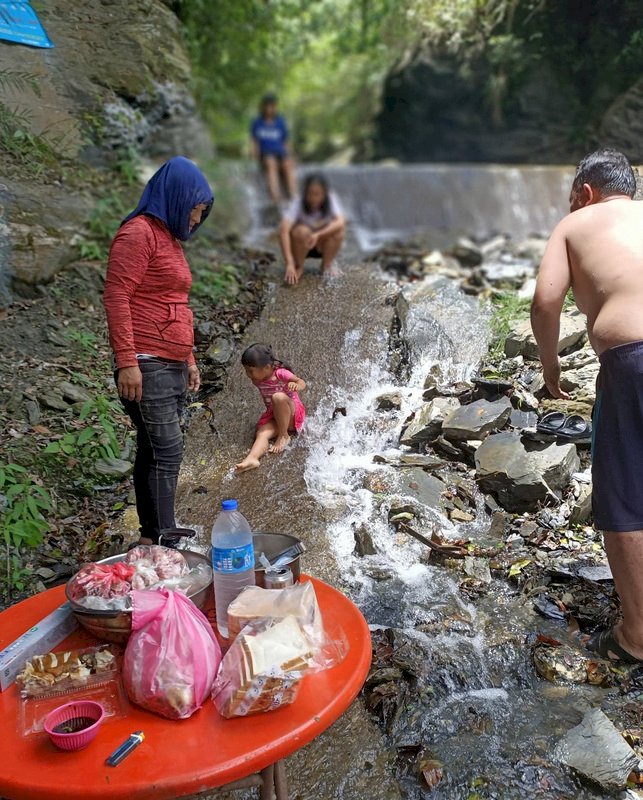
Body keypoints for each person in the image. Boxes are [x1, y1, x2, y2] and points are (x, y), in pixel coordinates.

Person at [531, 148, 643, 663]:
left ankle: (635, 637)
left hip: (632, 360)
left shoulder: (574, 224)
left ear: (585, 193)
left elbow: (546, 301)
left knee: (623, 494)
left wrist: (550, 366)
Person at [103, 156, 213, 546]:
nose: (197, 220)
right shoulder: (139, 233)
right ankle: (165, 536)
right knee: (167, 449)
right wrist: (126, 362)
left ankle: (153, 534)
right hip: (145, 361)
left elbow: (175, 302)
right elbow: (117, 296)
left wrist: (190, 359)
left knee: (154, 449)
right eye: (196, 211)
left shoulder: (168, 239)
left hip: (170, 362)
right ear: (178, 197)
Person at [235, 343, 306, 473]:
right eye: (246, 370)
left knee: (278, 397)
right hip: (276, 415)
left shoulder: (280, 373)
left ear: (267, 367)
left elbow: (301, 382)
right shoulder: (258, 379)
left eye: (251, 371)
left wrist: (296, 386)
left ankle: (284, 435)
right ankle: (252, 459)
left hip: (292, 413)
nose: (248, 375)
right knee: (262, 433)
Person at [279, 172, 346, 285]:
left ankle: (326, 265)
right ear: (305, 193)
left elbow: (340, 222)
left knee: (338, 231)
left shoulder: (330, 199)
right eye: (310, 194)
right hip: (301, 245)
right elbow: (283, 231)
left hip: (321, 245)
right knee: (302, 231)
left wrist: (318, 234)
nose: (313, 198)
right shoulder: (298, 202)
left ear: (324, 194)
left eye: (317, 194)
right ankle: (299, 266)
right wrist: (289, 263)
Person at [250, 92, 297, 204]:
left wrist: (290, 154)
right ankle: (276, 198)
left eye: (272, 106)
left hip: (280, 152)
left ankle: (294, 197)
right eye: (267, 106)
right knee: (271, 164)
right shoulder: (257, 122)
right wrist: (254, 155)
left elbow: (286, 141)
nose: (269, 109)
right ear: (263, 107)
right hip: (266, 153)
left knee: (288, 164)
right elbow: (254, 141)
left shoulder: (280, 122)